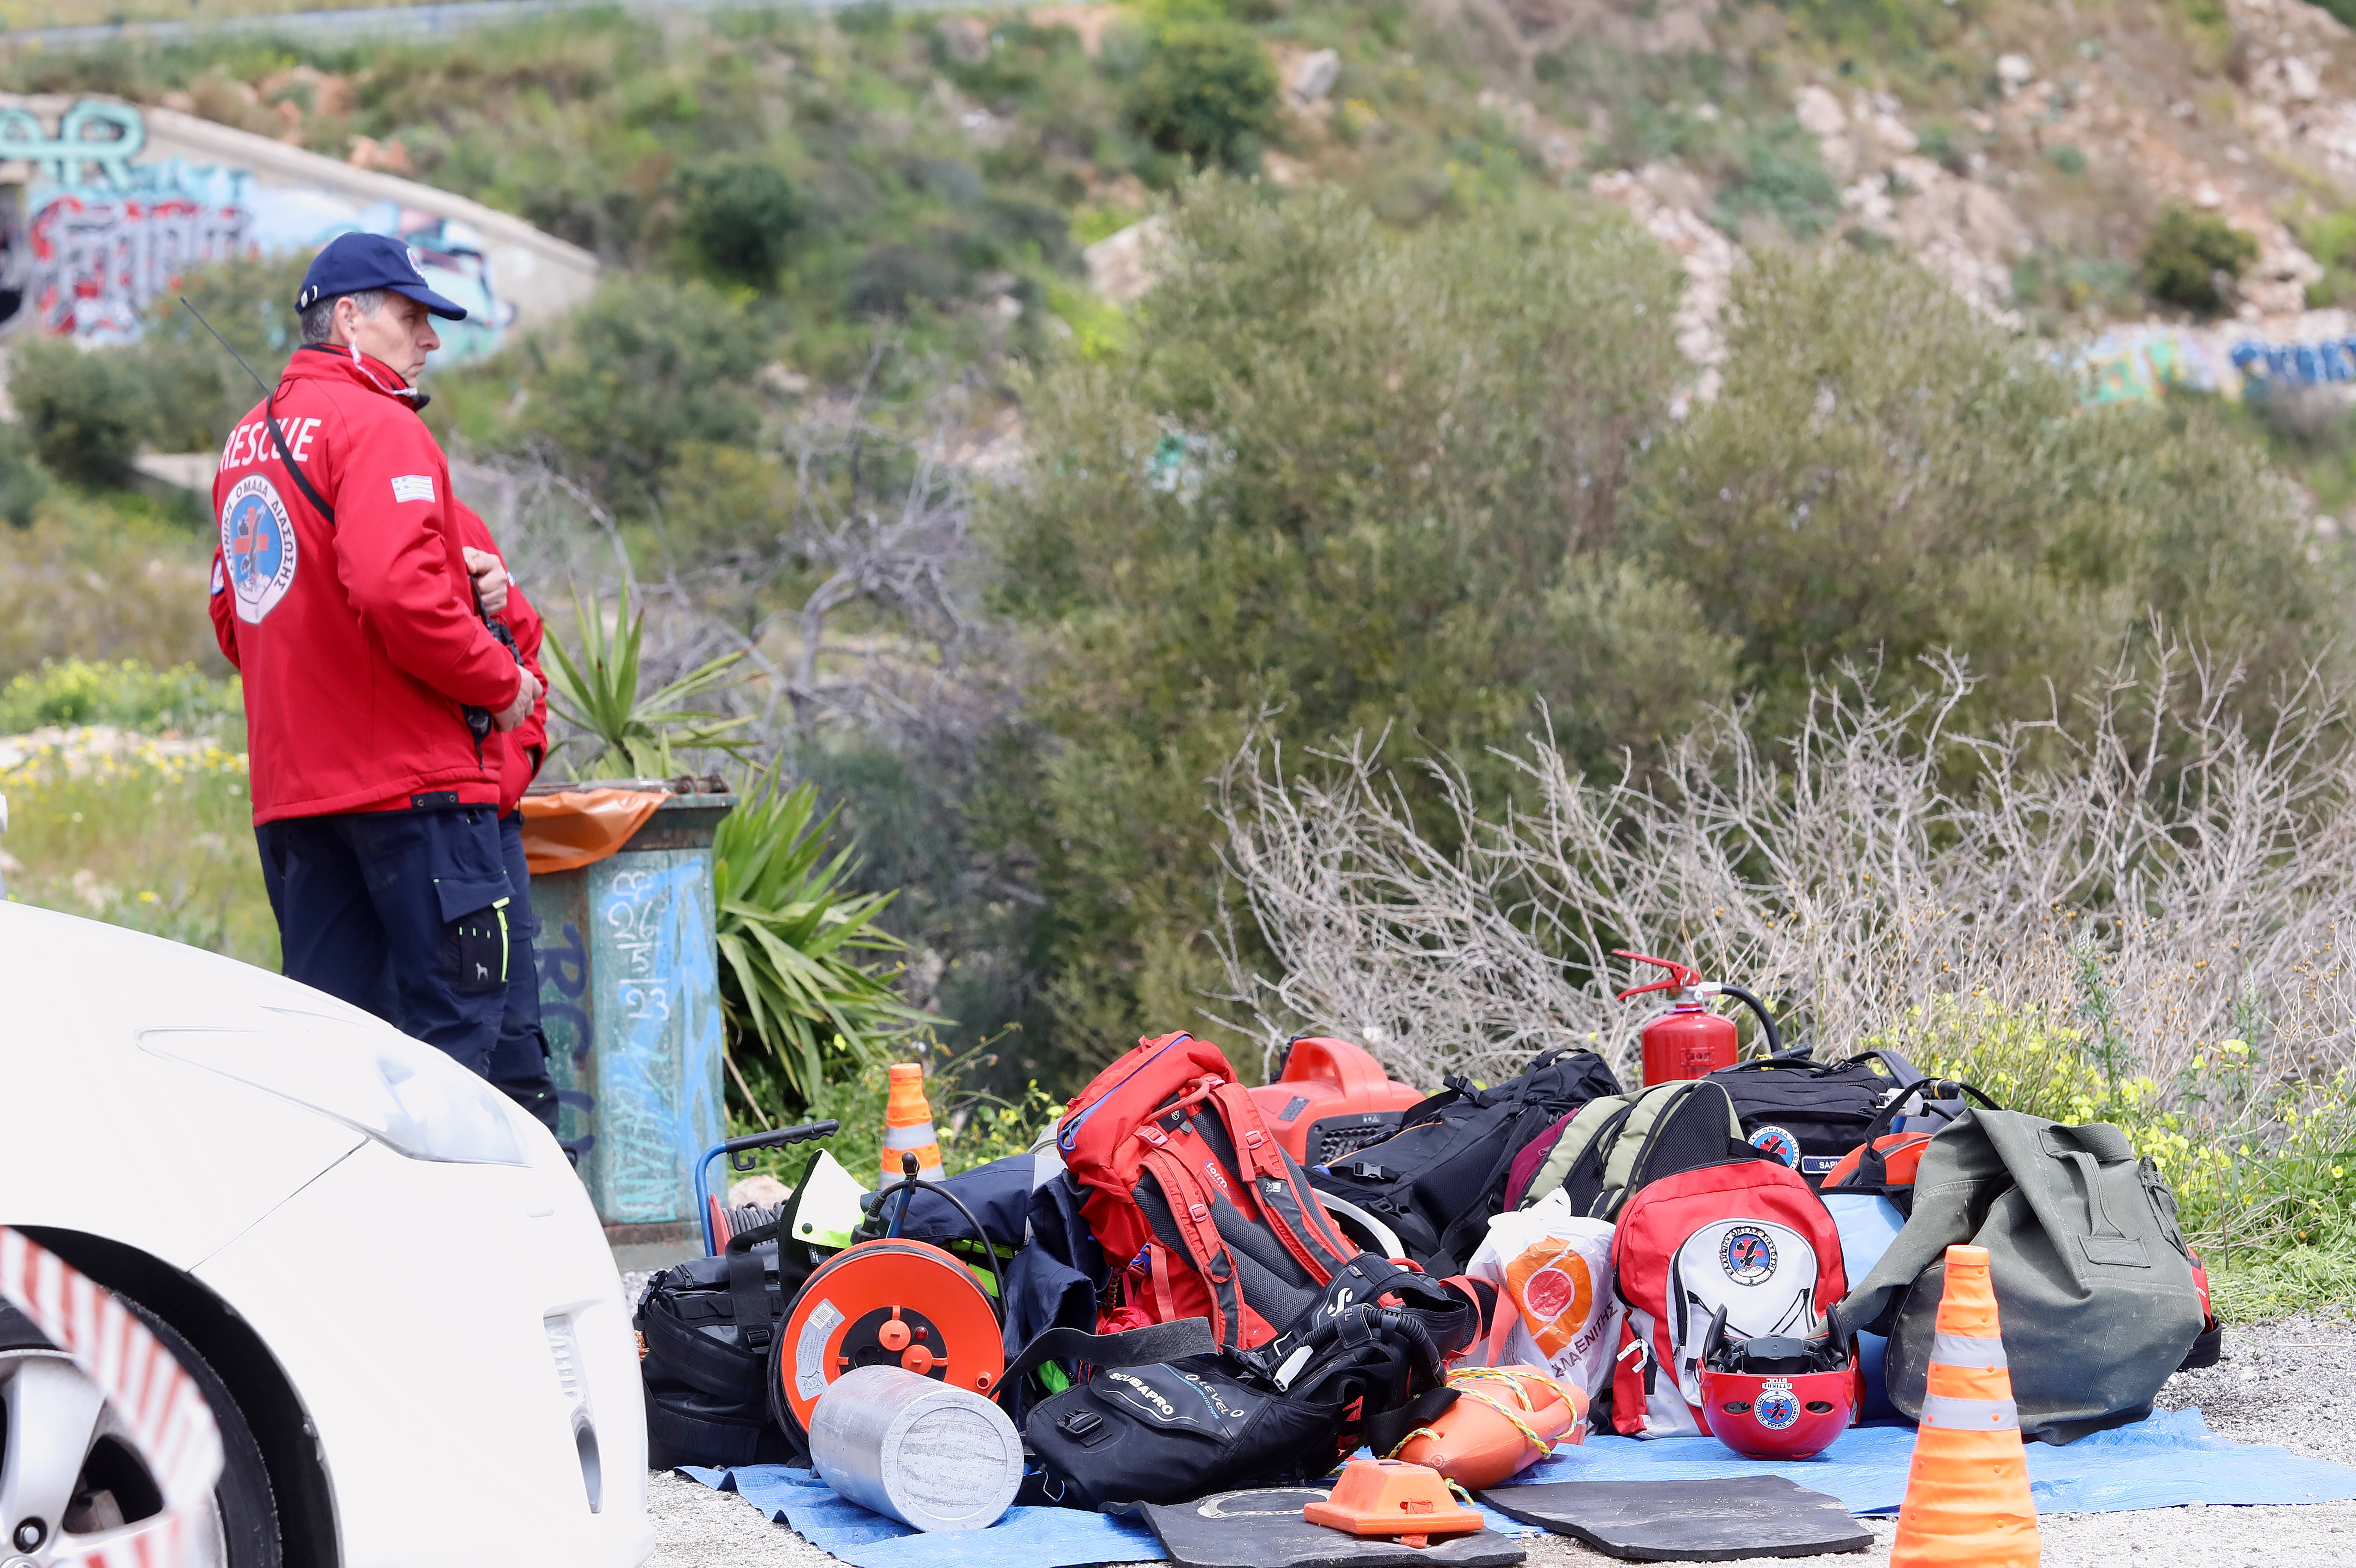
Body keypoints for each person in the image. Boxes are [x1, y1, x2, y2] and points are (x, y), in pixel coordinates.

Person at [208, 232, 544, 1081]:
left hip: (295, 803)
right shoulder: (379, 425)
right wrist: (502, 682)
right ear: (349, 319)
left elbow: (232, 618)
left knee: (336, 1063)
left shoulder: (244, 446)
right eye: (412, 315)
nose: (430, 338)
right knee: (460, 1053)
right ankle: (468, 1220)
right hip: (413, 794)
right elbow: (396, 592)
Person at [454, 505, 564, 1138]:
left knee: (514, 1038)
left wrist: (515, 759)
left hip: (487, 825)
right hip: (390, 822)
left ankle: (549, 1220)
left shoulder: (459, 524)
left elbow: (528, 659)